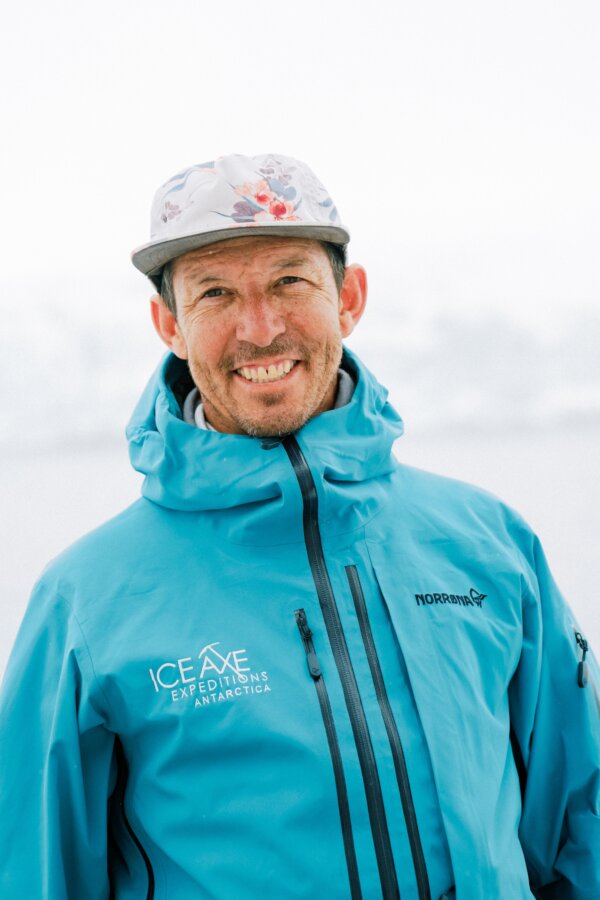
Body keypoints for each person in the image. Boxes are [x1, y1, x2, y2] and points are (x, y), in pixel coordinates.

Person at [0, 153, 598, 900]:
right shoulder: (87, 601)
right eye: (215, 292)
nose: (260, 328)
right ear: (170, 325)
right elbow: (34, 874)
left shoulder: (489, 544)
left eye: (289, 281)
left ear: (349, 299)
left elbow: (579, 827)